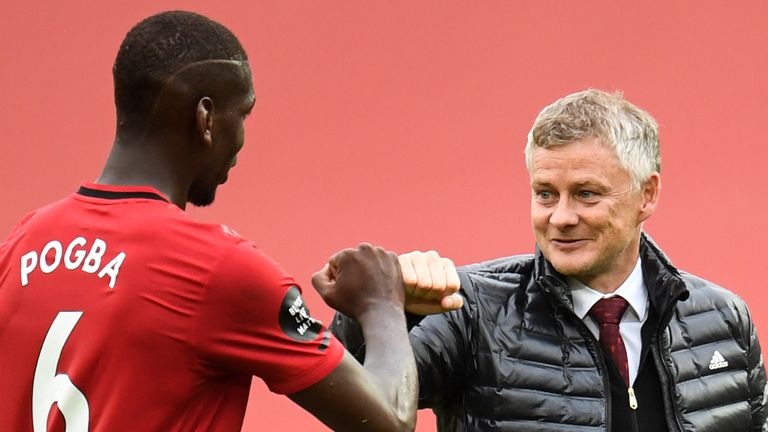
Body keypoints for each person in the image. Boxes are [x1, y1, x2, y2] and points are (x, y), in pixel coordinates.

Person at [0, 11, 462, 432]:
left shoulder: (21, 243)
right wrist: (381, 303)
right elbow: (389, 423)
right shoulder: (217, 268)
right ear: (205, 118)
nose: (241, 140)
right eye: (243, 114)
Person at [334, 89, 768, 431]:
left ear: (647, 194)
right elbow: (353, 404)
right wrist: (383, 310)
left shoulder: (724, 319)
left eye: (586, 193)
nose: (560, 217)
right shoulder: (465, 309)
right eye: (545, 193)